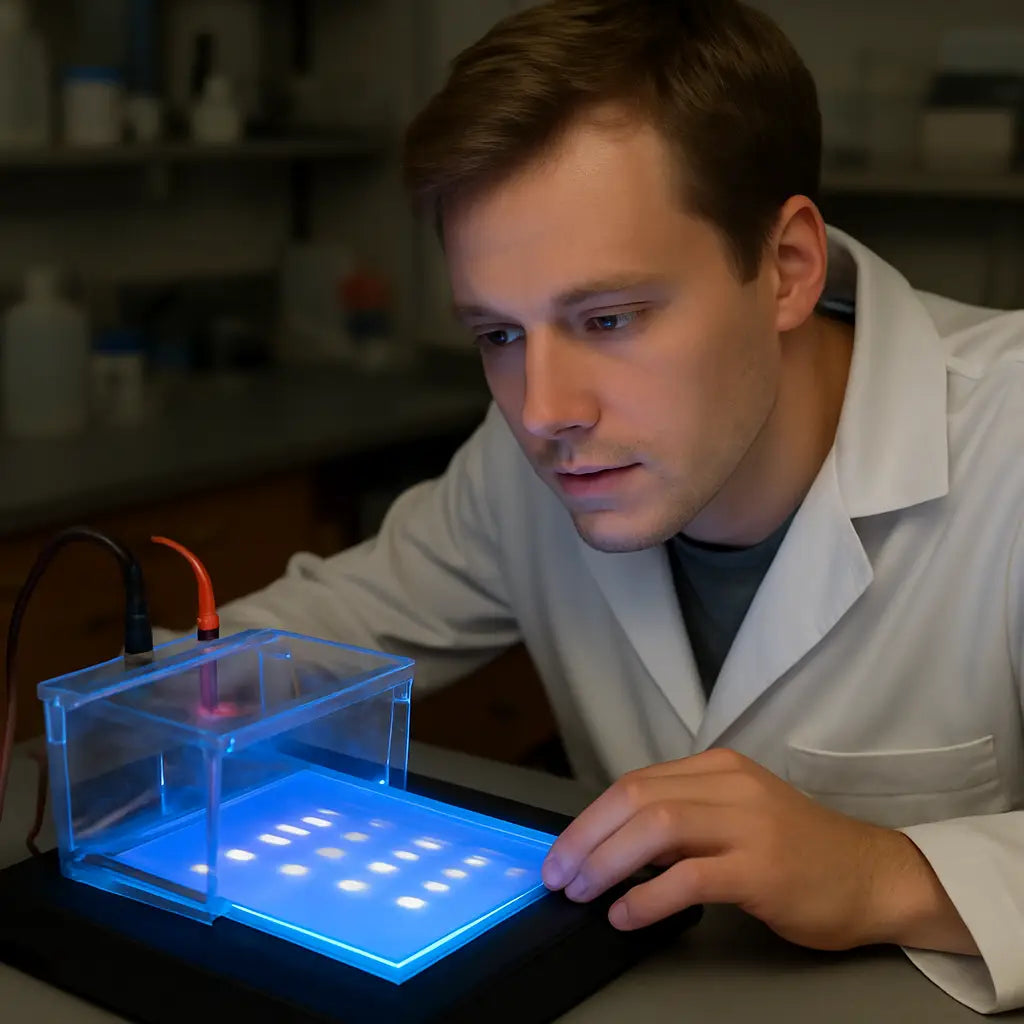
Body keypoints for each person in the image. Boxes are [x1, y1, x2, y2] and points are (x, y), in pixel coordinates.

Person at [200, 0, 1024, 1012]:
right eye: (498, 335)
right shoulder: (525, 469)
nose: (544, 413)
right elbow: (292, 644)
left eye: (608, 317)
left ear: (786, 269)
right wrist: (136, 714)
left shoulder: (1008, 442)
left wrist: (884, 872)